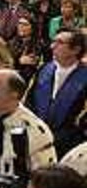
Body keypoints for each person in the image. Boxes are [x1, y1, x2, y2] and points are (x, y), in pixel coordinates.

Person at [25, 29, 87, 157]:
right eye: (53, 41)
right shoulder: (43, 70)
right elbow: (29, 103)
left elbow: (83, 120)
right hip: (35, 138)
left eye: (59, 42)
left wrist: (57, 139)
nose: (52, 46)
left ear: (75, 49)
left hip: (67, 146)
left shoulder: (84, 77)